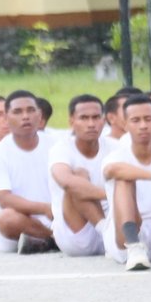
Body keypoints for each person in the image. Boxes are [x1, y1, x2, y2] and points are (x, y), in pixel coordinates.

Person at [0, 90, 56, 253]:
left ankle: (47, 241)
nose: (25, 116)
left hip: (57, 217)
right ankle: (54, 239)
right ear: (6, 118)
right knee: (6, 218)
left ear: (40, 115)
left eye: (31, 110)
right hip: (19, 226)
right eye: (17, 112)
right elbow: (4, 199)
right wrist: (45, 208)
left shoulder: (57, 146)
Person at [103, 93, 151, 271]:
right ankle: (134, 247)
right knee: (124, 180)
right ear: (125, 124)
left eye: (148, 119)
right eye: (135, 120)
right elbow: (112, 170)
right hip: (129, 230)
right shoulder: (116, 156)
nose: (143, 126)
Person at [48, 94, 110, 258]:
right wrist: (112, 194)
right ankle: (105, 230)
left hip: (112, 220)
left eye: (96, 117)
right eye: (84, 118)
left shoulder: (115, 147)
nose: (91, 124)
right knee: (78, 177)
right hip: (76, 235)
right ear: (71, 122)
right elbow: (66, 182)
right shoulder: (61, 149)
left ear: (104, 120)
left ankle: (112, 234)